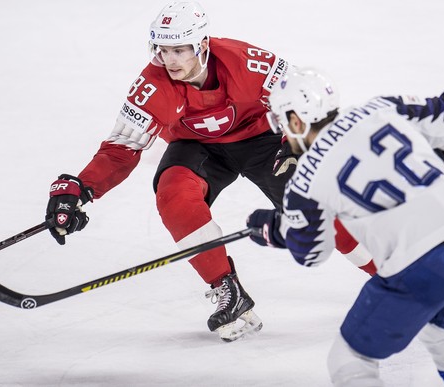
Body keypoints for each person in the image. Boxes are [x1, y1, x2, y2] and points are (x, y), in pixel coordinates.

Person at [44, 2, 374, 342]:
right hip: (197, 146)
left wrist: (297, 144)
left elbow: (306, 102)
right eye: (162, 49)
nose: (169, 60)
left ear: (202, 45)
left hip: (262, 139)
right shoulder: (152, 85)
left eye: (179, 50)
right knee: (174, 197)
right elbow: (121, 148)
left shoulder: (250, 62)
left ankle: (395, 275)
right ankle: (228, 289)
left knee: (317, 210)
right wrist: (80, 187)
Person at [246, 68, 444, 385]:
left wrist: (276, 230)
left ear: (297, 120)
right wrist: (440, 154)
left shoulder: (306, 178)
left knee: (350, 362)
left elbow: (312, 252)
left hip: (425, 262)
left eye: (284, 122)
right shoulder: (381, 107)